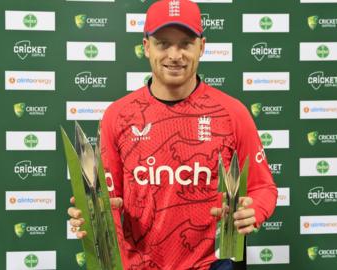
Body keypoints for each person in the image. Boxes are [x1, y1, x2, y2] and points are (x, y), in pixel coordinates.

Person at [68, 0, 278, 269]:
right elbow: (108, 199)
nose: (175, 54)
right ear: (146, 47)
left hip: (214, 264)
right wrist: (89, 215)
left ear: (202, 46)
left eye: (185, 43)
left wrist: (253, 210)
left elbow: (263, 187)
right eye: (163, 43)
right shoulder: (117, 115)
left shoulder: (232, 112)